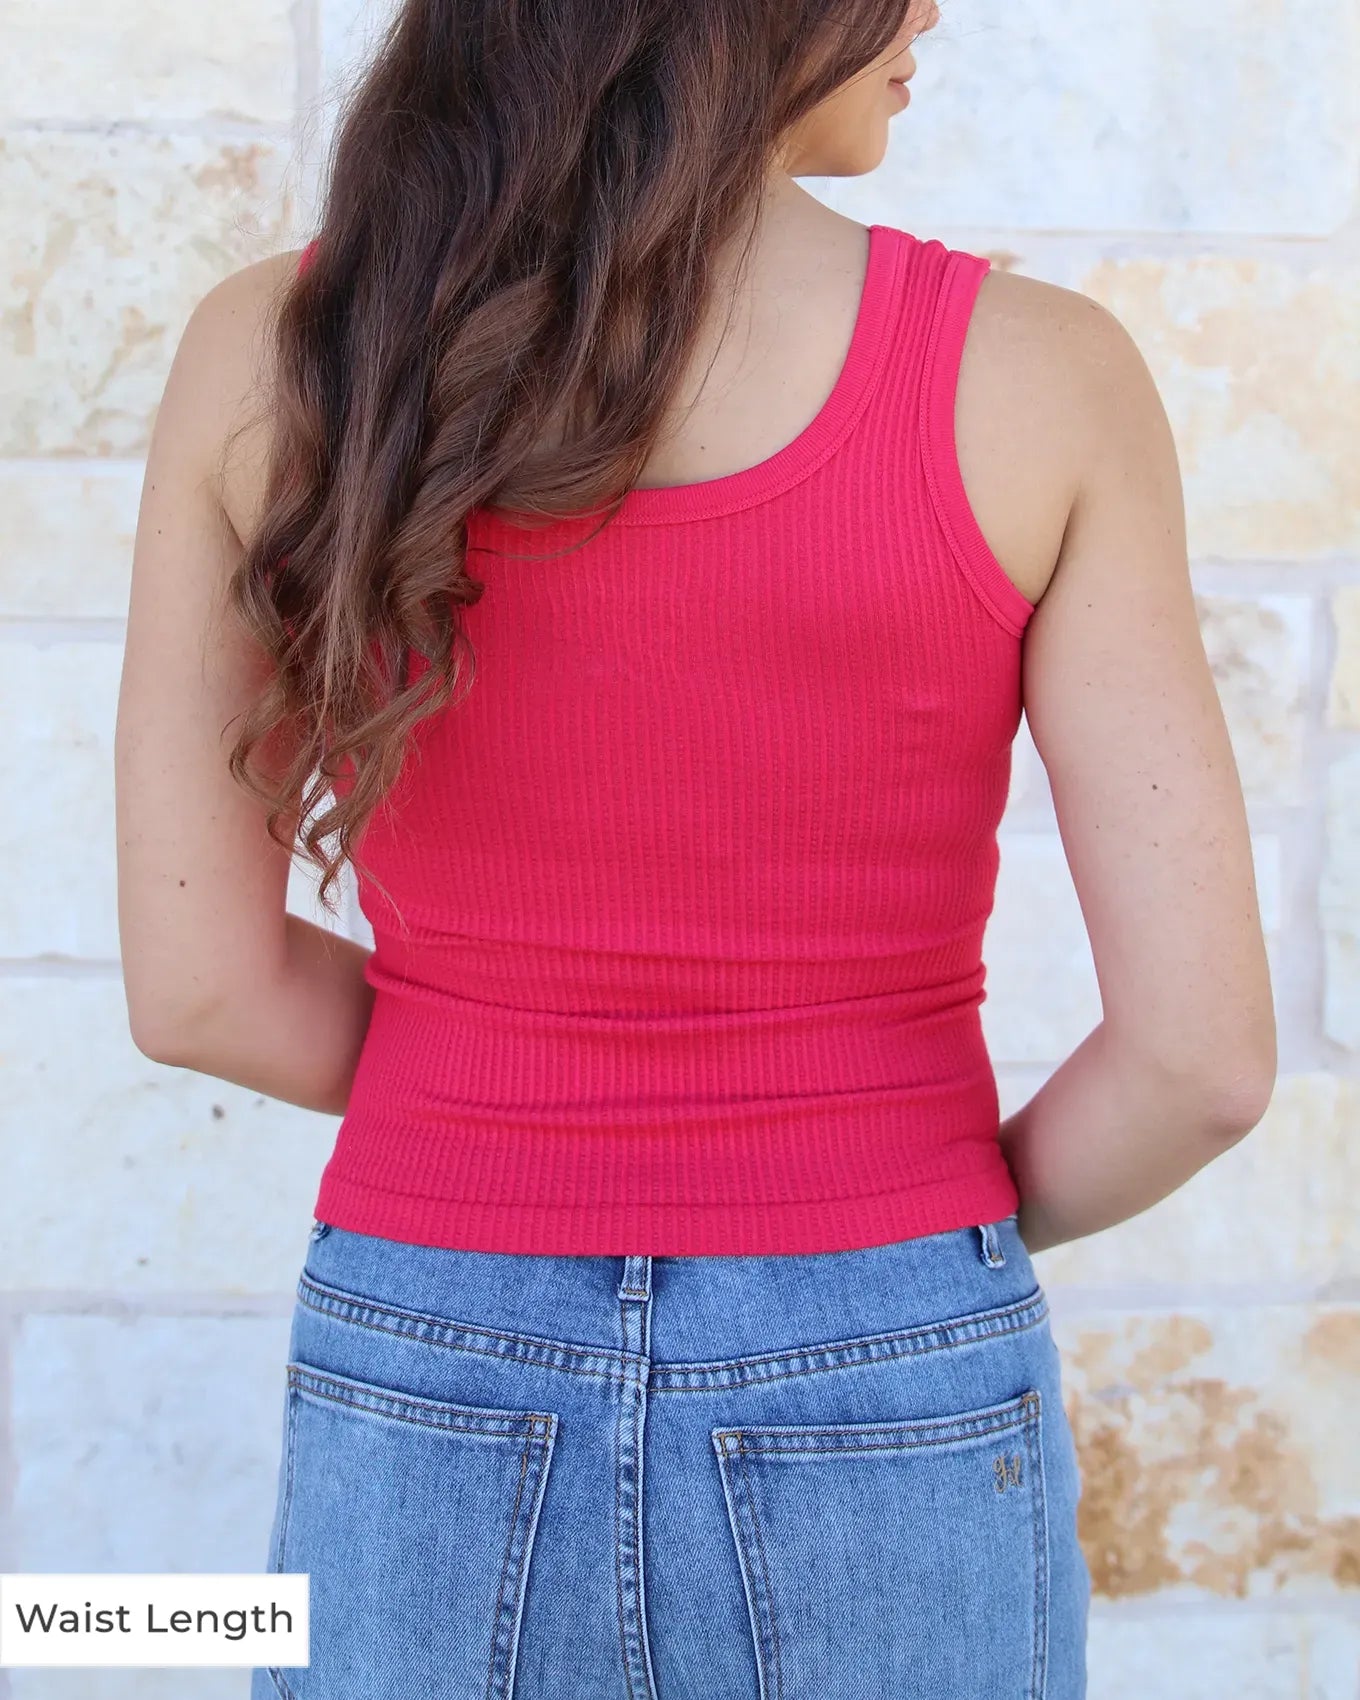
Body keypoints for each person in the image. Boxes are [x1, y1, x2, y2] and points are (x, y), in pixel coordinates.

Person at [114, 0, 1276, 1693]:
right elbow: (1204, 1064)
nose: (933, 10)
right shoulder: (1040, 378)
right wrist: (900, 1216)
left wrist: (504, 1086)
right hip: (889, 1349)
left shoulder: (275, 352)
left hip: (424, 1351)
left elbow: (199, 992)